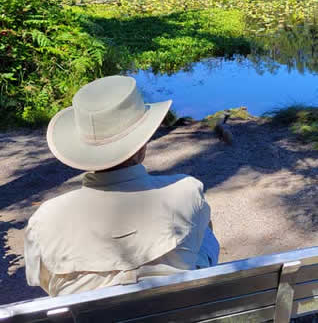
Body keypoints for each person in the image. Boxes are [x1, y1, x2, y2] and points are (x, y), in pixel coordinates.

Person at [24, 76, 219, 297]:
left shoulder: (46, 219)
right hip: (178, 310)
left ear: (82, 151)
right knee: (203, 231)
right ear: (142, 144)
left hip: (86, 315)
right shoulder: (187, 190)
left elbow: (41, 281)